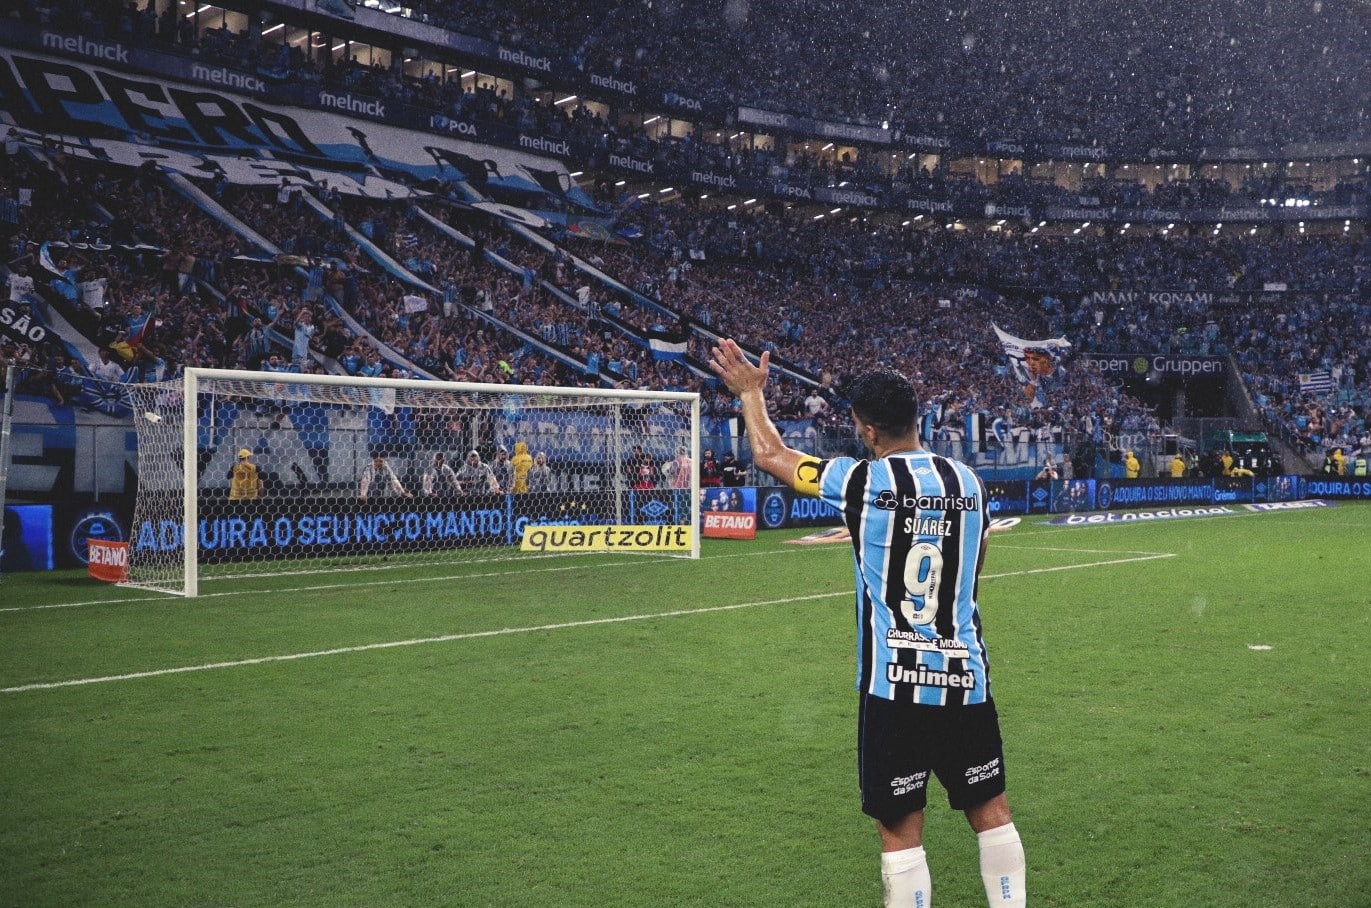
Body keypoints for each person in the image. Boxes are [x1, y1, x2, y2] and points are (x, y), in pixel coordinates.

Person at [709, 338, 1026, 908]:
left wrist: (751, 394)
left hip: (894, 685)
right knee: (991, 811)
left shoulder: (861, 482)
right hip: (965, 679)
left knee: (901, 830)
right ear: (917, 418)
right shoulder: (969, 483)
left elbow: (771, 455)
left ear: (868, 430)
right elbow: (973, 570)